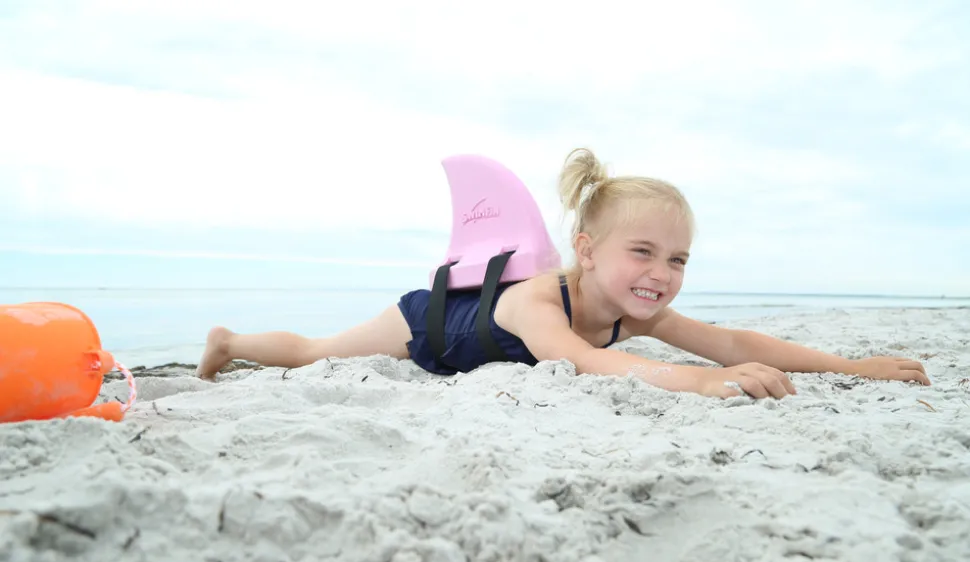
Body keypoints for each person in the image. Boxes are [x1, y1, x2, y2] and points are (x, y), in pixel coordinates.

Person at [196, 148, 931, 399]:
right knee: (314, 353)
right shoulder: (538, 306)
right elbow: (587, 362)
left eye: (677, 259)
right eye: (642, 252)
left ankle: (231, 342)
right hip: (433, 325)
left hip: (469, 344)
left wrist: (852, 366)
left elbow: (732, 342)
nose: (661, 274)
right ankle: (229, 342)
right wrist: (702, 384)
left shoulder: (637, 312)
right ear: (587, 249)